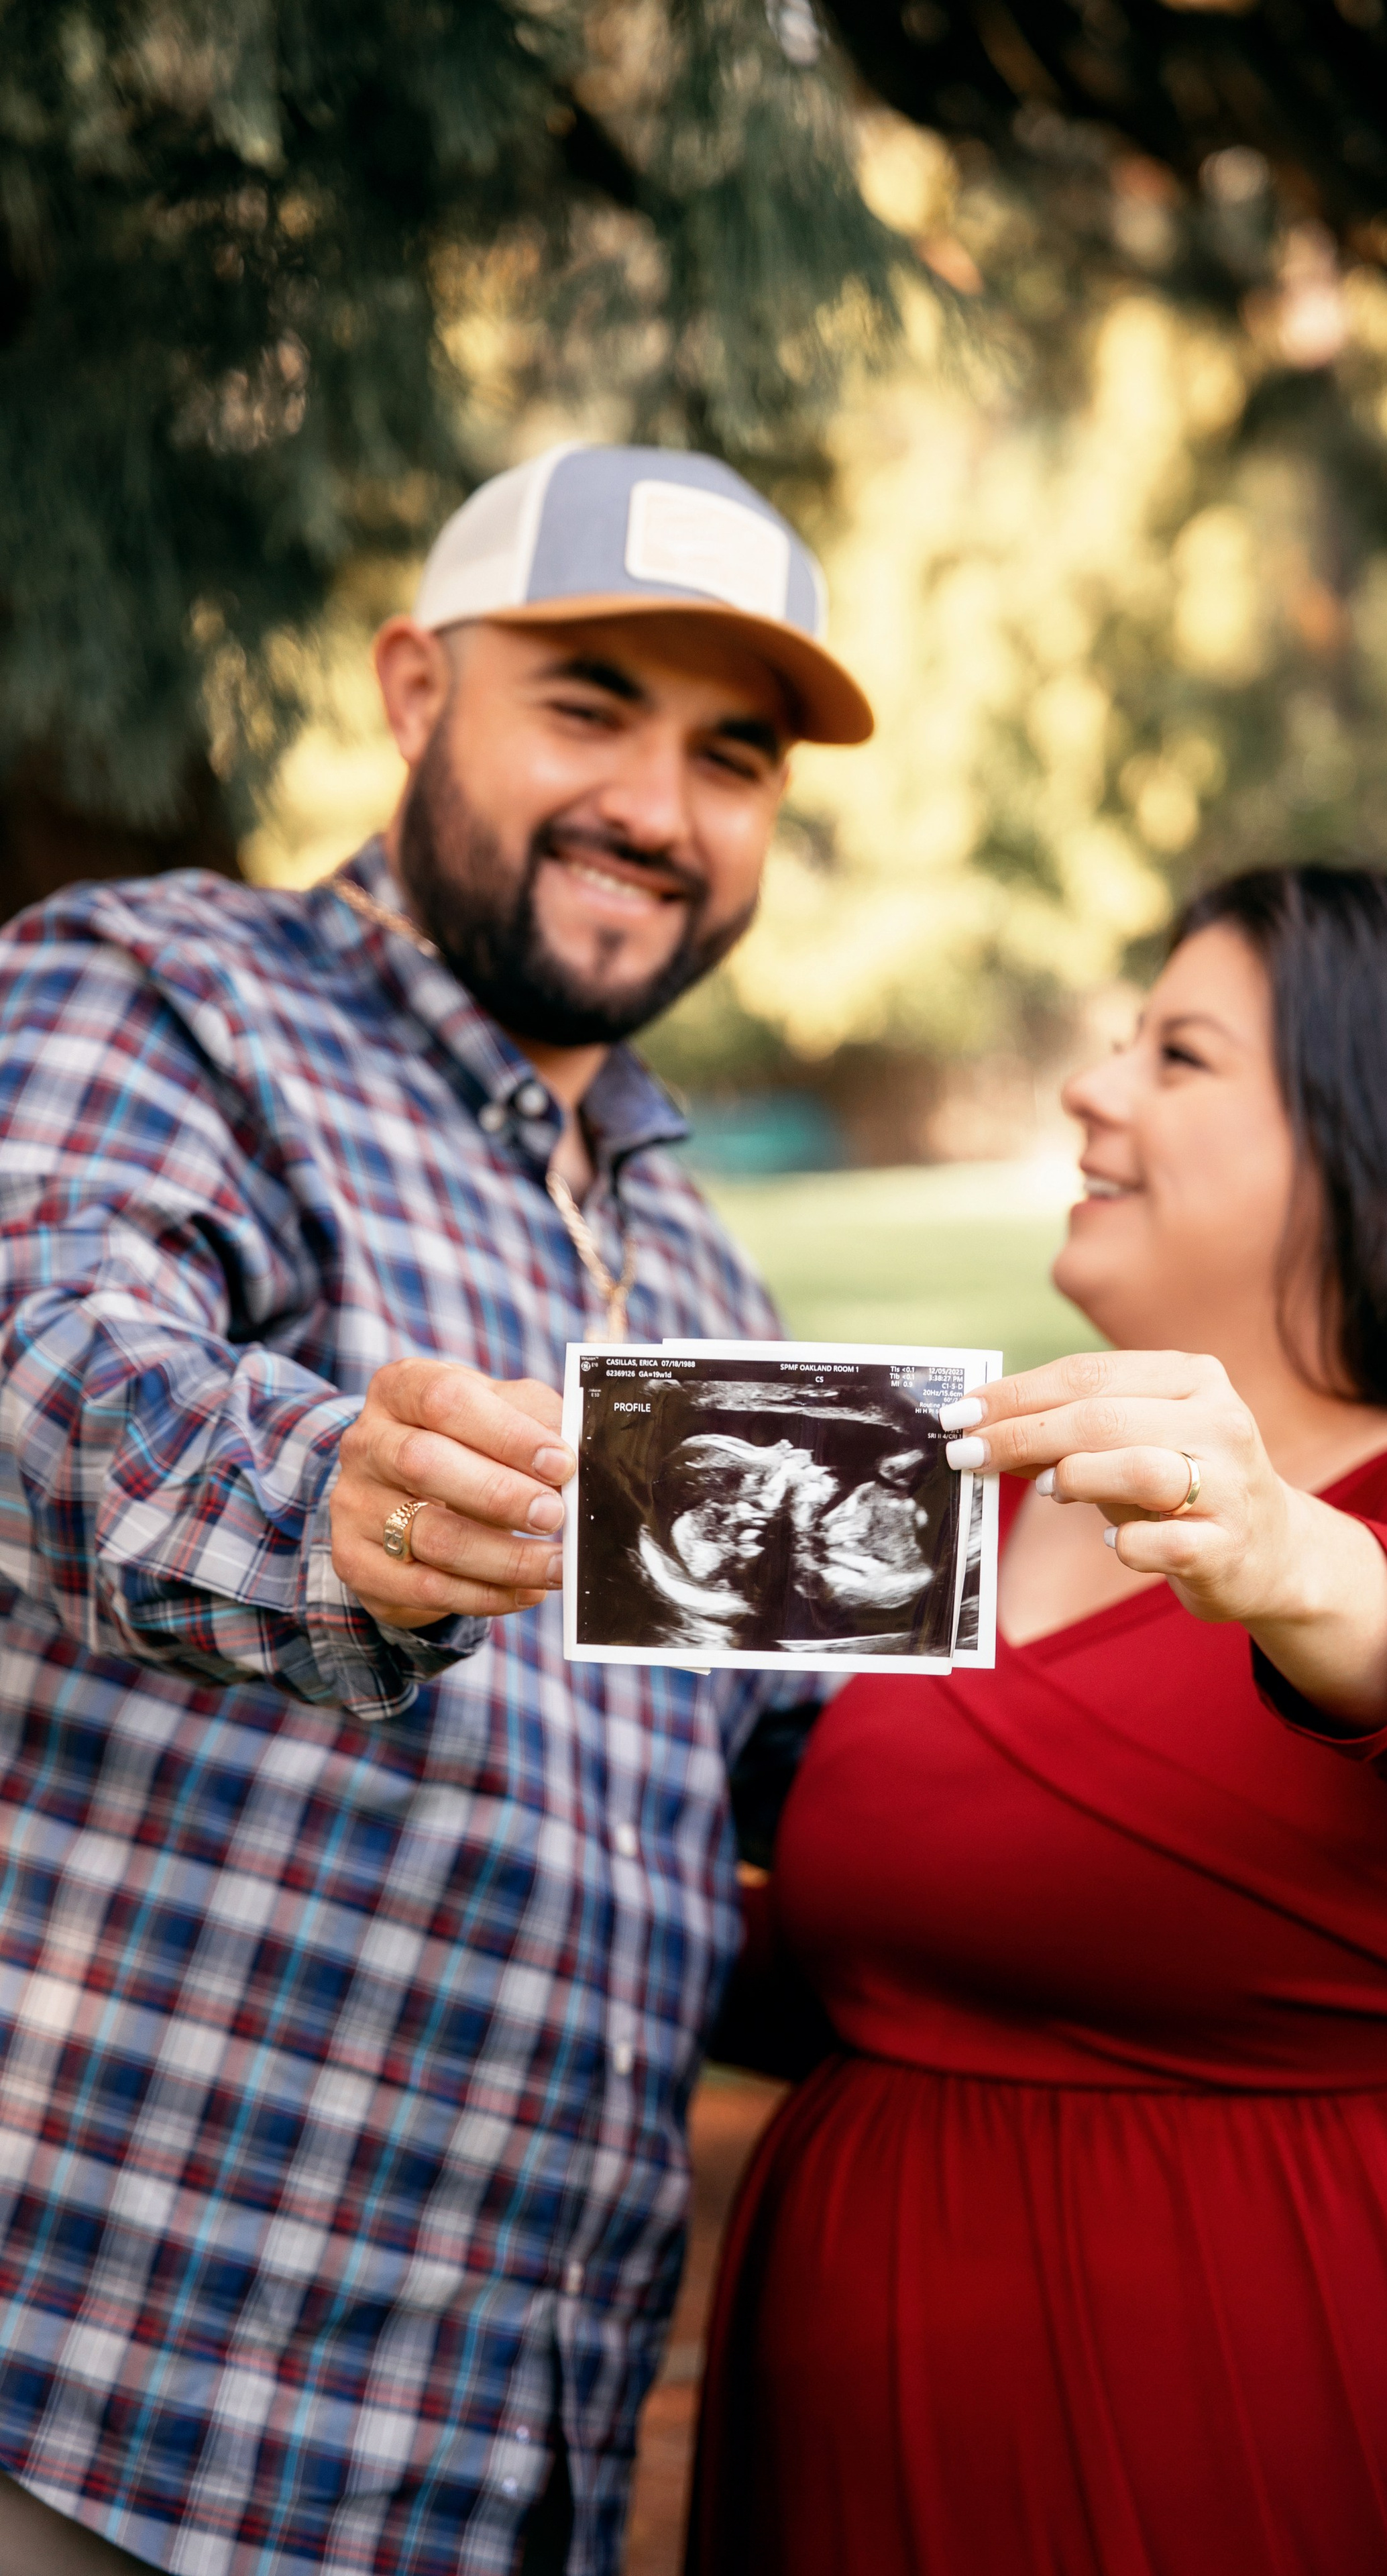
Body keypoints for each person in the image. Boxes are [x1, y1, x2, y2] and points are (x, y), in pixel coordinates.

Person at [0, 441, 871, 2576]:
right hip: (104, 2414)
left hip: (497, 2468)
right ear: (414, 690)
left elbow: (802, 1789)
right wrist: (334, 1508)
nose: (659, 811)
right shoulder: (166, 988)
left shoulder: (700, 1273)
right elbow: (45, 1365)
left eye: (731, 757)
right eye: (587, 707)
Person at [689, 863, 1387, 2576]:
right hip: (885, 2475)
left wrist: (1289, 1557)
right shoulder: (966, 1501)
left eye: (1174, 1054)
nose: (1090, 1089)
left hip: (1351, 2455)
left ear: (1378, 1137)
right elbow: (906, 1944)